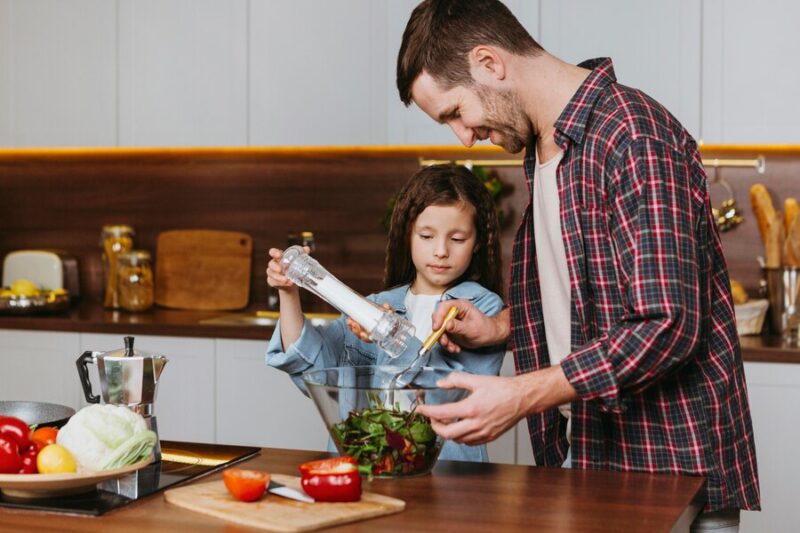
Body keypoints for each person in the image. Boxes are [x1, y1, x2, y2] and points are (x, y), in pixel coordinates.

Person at [396, 0, 759, 528]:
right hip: (588, 459)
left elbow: (669, 325)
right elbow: (586, 302)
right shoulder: (544, 148)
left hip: (663, 469)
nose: (462, 136)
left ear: (490, 63)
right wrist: (499, 327)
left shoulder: (633, 136)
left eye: (455, 112)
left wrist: (521, 394)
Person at [265, 163, 506, 462]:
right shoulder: (376, 305)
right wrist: (289, 292)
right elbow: (310, 365)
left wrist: (389, 335)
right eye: (426, 236)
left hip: (447, 473)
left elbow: (452, 394)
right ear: (408, 235)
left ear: (478, 241)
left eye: (457, 239)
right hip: (369, 467)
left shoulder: (483, 310)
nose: (441, 250)